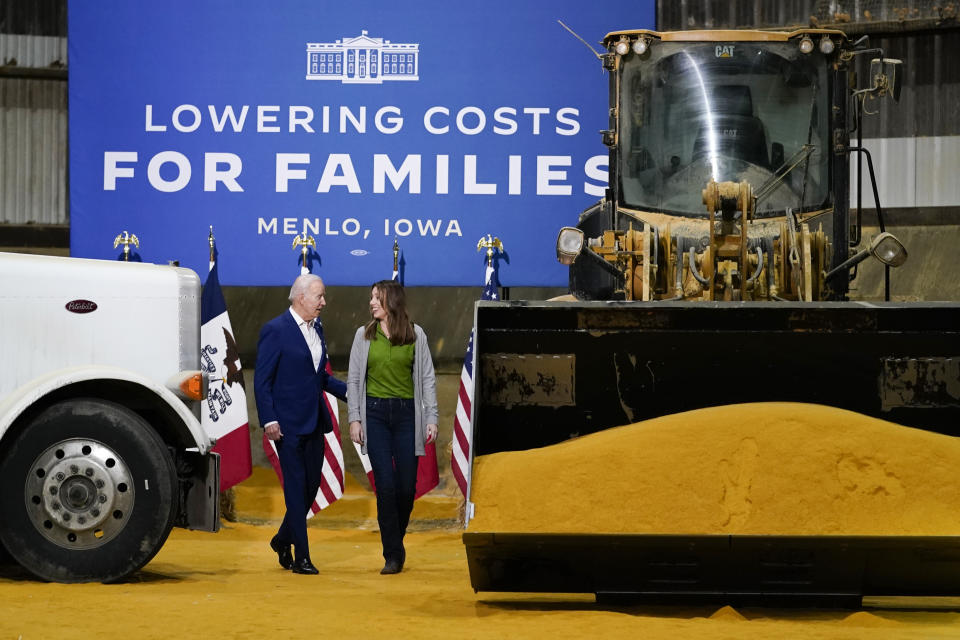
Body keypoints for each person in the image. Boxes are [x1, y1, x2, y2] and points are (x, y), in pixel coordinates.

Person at [254, 273, 346, 575]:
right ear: (300, 297)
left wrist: (355, 393)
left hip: (315, 422)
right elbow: (262, 380)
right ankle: (301, 556)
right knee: (295, 489)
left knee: (310, 487)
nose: (324, 302)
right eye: (319, 296)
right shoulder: (276, 330)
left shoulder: (316, 329)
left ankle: (281, 539)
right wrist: (269, 419)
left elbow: (319, 378)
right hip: (287, 426)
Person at [347, 280, 438, 575]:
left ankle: (394, 541)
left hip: (406, 417)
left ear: (392, 302)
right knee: (385, 487)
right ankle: (393, 555)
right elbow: (353, 381)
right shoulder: (363, 335)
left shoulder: (416, 335)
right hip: (374, 415)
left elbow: (426, 379)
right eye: (372, 297)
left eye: (377, 298)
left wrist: (432, 417)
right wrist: (355, 419)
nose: (372, 302)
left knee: (406, 489)